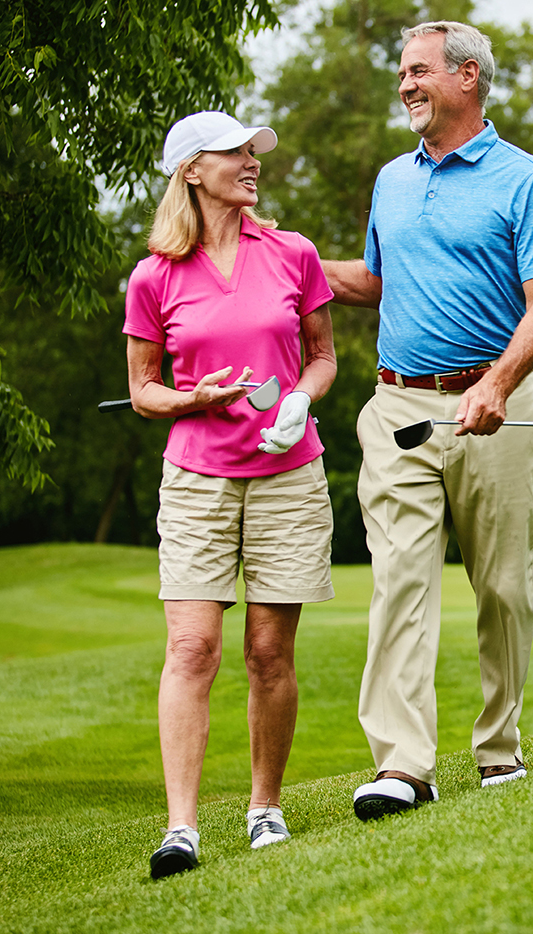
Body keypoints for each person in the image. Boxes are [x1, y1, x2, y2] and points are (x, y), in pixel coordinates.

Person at [323, 20, 533, 819]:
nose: (405, 84)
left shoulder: (523, 179)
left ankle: (499, 747)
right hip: (397, 404)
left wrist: (499, 382)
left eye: (420, 70)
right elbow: (373, 280)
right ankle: (402, 766)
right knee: (398, 580)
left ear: (468, 76)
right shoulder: (391, 180)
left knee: (502, 586)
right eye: (402, 71)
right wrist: (283, 259)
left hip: (499, 408)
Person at [123, 111, 337, 878]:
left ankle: (264, 808)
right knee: (192, 647)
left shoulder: (293, 253)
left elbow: (322, 357)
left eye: (254, 153)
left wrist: (302, 401)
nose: (251, 163)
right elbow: (142, 390)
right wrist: (191, 400)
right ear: (190, 170)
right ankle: (181, 827)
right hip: (196, 481)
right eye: (234, 153)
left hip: (287, 477)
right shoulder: (155, 274)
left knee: (269, 651)